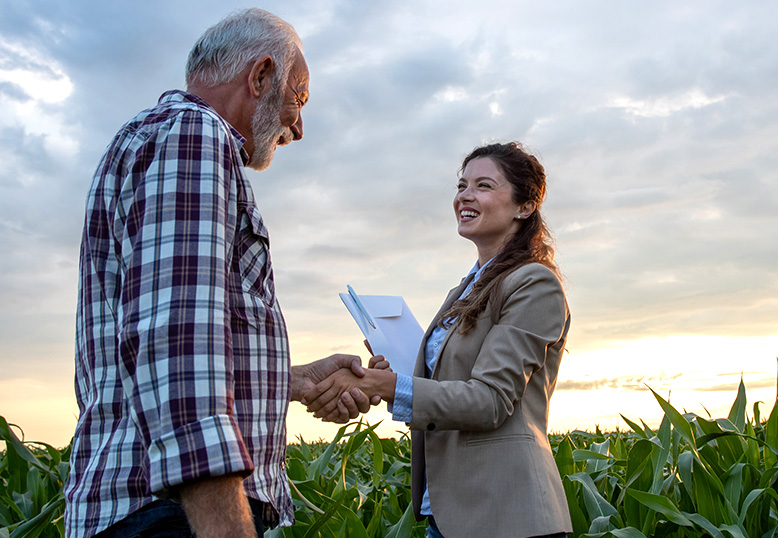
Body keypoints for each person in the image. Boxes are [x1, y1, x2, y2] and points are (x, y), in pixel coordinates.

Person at [65, 9, 373, 538]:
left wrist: (293, 381)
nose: (297, 127)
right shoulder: (193, 135)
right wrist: (227, 528)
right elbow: (177, 343)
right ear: (259, 77)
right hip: (171, 514)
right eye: (298, 99)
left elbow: (162, 334)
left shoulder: (162, 139)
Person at [303, 142, 573, 538]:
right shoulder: (462, 291)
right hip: (448, 514)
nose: (464, 195)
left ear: (525, 206)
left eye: (483, 185)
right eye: (461, 185)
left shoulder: (534, 283)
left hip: (506, 514)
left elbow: (490, 400)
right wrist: (391, 370)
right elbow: (446, 385)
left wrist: (389, 386)